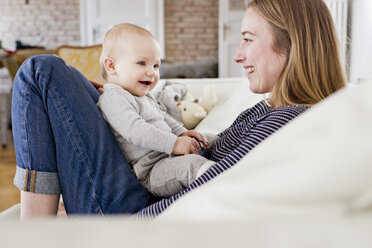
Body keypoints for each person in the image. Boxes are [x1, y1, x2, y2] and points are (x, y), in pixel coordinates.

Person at [12, 0, 346, 219]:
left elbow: (211, 183)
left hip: (132, 210)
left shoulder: (286, 120)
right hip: (142, 183)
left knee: (40, 71)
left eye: (247, 39)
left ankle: (36, 231)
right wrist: (122, 97)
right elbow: (214, 146)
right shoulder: (277, 109)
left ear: (291, 45)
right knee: (65, 78)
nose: (238, 55)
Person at [96, 23, 215, 197]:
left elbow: (163, 117)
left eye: (156, 66)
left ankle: (235, 151)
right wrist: (174, 144)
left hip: (169, 154)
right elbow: (135, 131)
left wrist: (182, 133)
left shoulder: (143, 95)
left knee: (209, 137)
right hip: (151, 170)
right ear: (112, 66)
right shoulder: (113, 98)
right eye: (142, 63)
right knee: (191, 166)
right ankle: (220, 177)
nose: (152, 73)